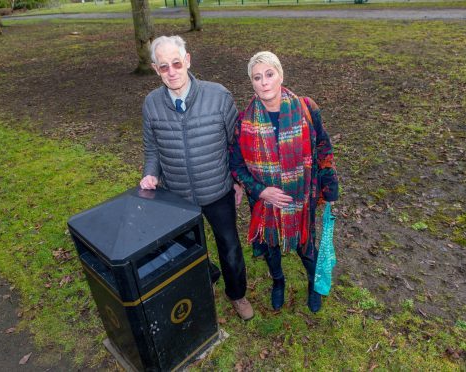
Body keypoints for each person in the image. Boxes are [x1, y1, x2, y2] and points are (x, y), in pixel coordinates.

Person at [139, 35, 254, 321]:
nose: (172, 71)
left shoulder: (218, 96)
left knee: (229, 247)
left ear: (187, 60)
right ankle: (206, 276)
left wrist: (238, 182)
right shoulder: (151, 104)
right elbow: (151, 149)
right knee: (187, 249)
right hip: (177, 195)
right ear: (156, 69)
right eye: (164, 67)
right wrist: (150, 174)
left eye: (177, 63)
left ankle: (237, 294)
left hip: (217, 191)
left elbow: (236, 144)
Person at [229, 51, 339, 313]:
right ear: (252, 83)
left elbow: (323, 146)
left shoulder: (306, 108)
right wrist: (260, 191)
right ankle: (278, 281)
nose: (264, 82)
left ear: (280, 75)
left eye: (270, 74)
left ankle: (313, 285)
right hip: (265, 203)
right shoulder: (244, 121)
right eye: (257, 77)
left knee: (306, 246)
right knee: (271, 246)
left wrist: (330, 186)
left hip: (302, 198)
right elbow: (236, 165)